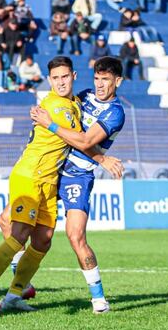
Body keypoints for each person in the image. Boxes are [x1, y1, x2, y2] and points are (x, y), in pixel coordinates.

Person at [0, 57, 84, 313]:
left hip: (48, 181)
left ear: (73, 76)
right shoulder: (57, 107)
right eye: (55, 78)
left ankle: (13, 295)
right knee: (20, 233)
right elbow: (81, 140)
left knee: (43, 240)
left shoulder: (73, 103)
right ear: (49, 80)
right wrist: (104, 157)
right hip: (31, 175)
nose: (60, 82)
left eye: (64, 76)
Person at [28, 57, 125, 313]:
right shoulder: (82, 97)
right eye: (97, 78)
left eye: (106, 80)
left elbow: (82, 141)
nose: (100, 85)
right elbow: (62, 116)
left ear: (118, 81)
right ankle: (21, 282)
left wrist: (48, 122)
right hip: (53, 166)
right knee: (14, 223)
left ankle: (99, 299)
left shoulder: (115, 113)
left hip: (78, 176)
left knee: (76, 236)